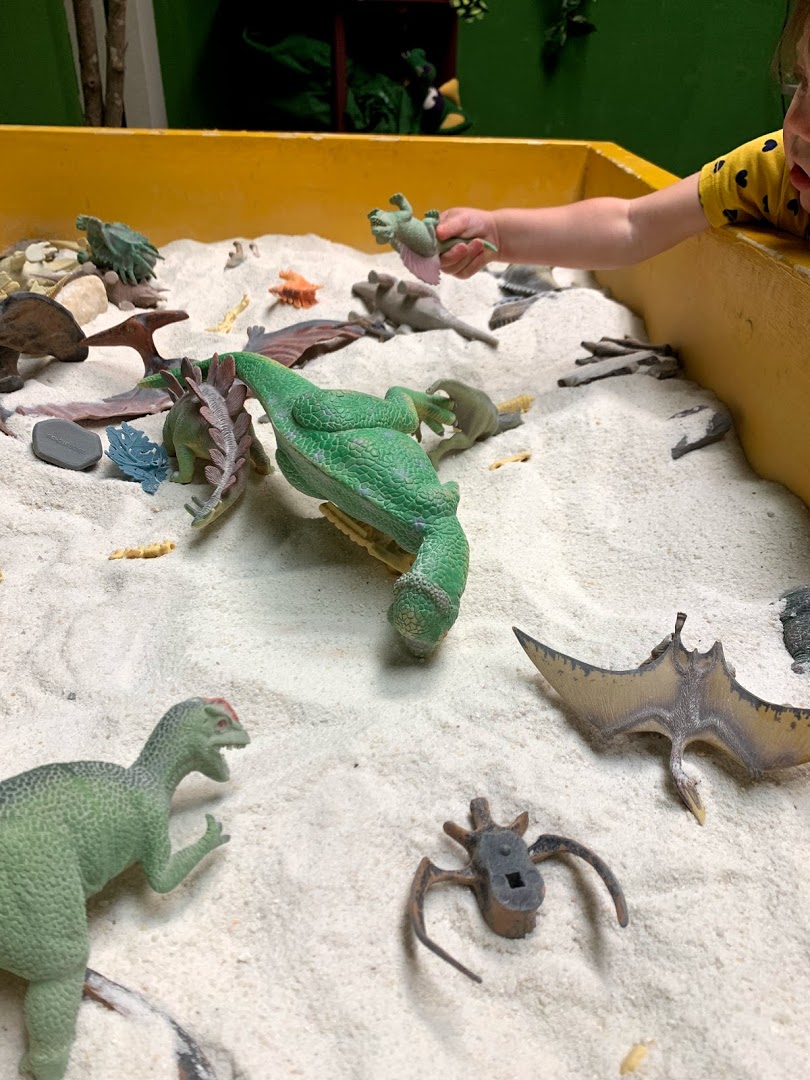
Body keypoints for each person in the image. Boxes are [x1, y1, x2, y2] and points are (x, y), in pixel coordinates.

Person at [438, 0, 810, 278]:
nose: (797, 125)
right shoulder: (766, 171)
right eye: (803, 82)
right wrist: (498, 234)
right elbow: (632, 225)